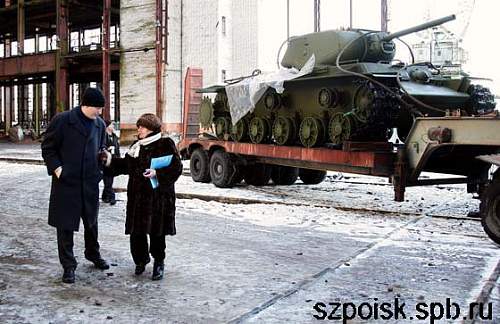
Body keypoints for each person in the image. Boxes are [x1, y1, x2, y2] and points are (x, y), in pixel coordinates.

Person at [41, 87, 110, 284]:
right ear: (86, 105)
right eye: (98, 108)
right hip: (67, 183)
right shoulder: (63, 120)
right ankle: (68, 266)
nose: (100, 112)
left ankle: (93, 254)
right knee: (65, 226)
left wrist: (103, 156)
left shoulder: (99, 125)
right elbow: (48, 148)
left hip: (89, 182)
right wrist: (58, 169)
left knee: (91, 222)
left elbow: (101, 146)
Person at [103, 113, 182, 280]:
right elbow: (126, 166)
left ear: (152, 129)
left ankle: (158, 263)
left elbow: (176, 167)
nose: (139, 129)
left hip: (157, 198)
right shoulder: (136, 146)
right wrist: (109, 161)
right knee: (137, 233)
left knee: (156, 233)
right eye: (138, 126)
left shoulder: (165, 143)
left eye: (142, 127)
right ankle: (141, 260)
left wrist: (157, 173)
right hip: (138, 198)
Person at [101, 120, 120, 205]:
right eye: (112, 125)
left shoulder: (115, 136)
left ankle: (105, 197)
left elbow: (117, 148)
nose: (113, 126)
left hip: (113, 160)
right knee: (108, 180)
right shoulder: (103, 136)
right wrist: (107, 149)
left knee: (109, 180)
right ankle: (112, 197)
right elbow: (101, 146)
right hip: (106, 161)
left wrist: (119, 159)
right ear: (107, 127)